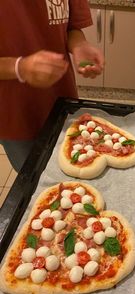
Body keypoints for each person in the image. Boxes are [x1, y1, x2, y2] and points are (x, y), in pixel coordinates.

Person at [0, 0, 104, 172]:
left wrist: (80, 46)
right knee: (34, 176)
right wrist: (19, 67)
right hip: (15, 116)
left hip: (63, 104)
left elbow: (72, 28)